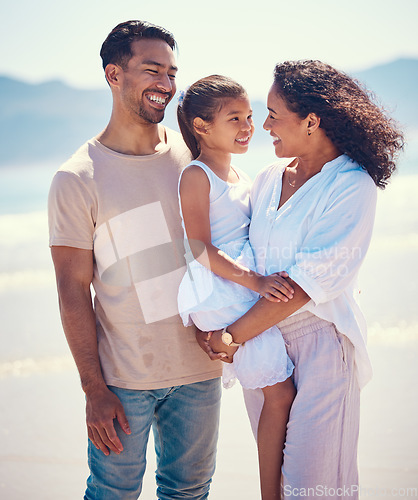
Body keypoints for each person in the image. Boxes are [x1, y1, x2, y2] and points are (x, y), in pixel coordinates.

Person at [197, 60, 404, 499]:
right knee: (275, 487)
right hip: (264, 348)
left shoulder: (352, 185)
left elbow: (301, 286)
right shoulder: (270, 178)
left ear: (312, 121)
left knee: (314, 488)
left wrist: (229, 339)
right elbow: (234, 245)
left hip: (320, 346)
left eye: (273, 113)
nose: (264, 124)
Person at [48, 20, 222, 500]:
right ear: (113, 74)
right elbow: (71, 291)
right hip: (123, 379)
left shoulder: (196, 156)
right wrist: (92, 389)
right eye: (152, 70)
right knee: (112, 493)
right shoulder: (77, 177)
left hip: (201, 368)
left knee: (190, 491)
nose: (166, 84)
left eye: (171, 72)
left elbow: (233, 240)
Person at [176, 75, 297, 499]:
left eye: (249, 117)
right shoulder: (196, 175)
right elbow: (199, 249)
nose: (248, 127)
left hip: (239, 284)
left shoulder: (242, 174)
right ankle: (271, 493)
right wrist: (257, 281)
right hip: (222, 289)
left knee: (278, 394)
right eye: (234, 119)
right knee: (279, 394)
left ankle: (275, 488)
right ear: (201, 126)